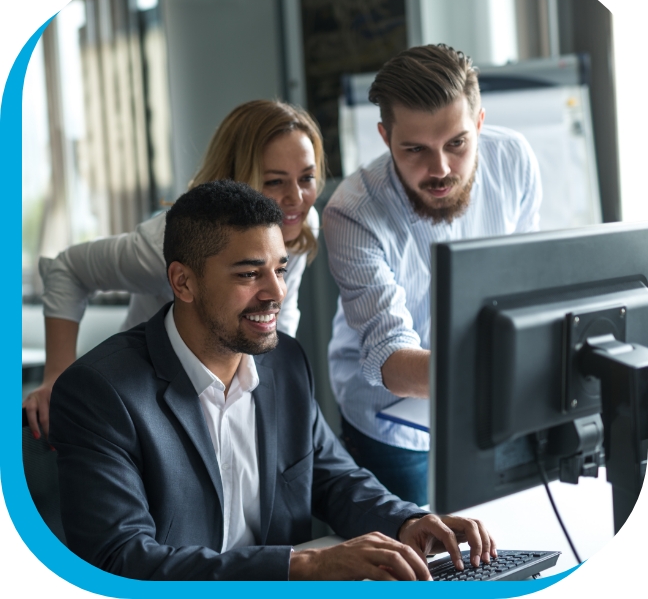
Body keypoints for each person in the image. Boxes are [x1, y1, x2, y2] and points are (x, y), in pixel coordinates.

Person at [48, 181, 496, 581]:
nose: (276, 292)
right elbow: (119, 560)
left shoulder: (284, 361)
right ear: (183, 282)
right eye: (248, 274)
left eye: (280, 269)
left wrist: (407, 521)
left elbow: (331, 477)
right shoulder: (100, 393)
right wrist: (303, 567)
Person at [25, 100, 325, 440]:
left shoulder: (297, 224)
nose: (296, 198)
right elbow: (68, 268)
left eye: (307, 178)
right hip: (147, 387)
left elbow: (277, 326)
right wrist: (57, 377)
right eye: (275, 182)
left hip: (224, 387)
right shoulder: (170, 242)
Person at [323, 44, 543, 505]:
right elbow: (393, 362)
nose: (440, 169)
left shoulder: (514, 159)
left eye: (457, 143)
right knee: (414, 565)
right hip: (391, 424)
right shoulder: (352, 212)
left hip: (492, 401)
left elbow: (524, 287)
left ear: (479, 123)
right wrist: (514, 365)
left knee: (508, 534)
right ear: (385, 138)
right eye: (415, 149)